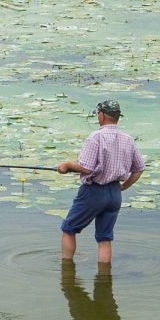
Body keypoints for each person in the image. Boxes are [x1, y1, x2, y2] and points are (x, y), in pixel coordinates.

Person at [56, 100, 145, 264]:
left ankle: (66, 271)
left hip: (94, 192)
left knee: (69, 229)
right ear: (118, 117)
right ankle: (104, 278)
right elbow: (139, 168)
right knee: (104, 239)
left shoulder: (96, 137)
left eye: (98, 113)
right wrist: (124, 187)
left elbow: (87, 168)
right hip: (115, 195)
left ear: (102, 115)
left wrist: (67, 165)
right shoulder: (128, 139)